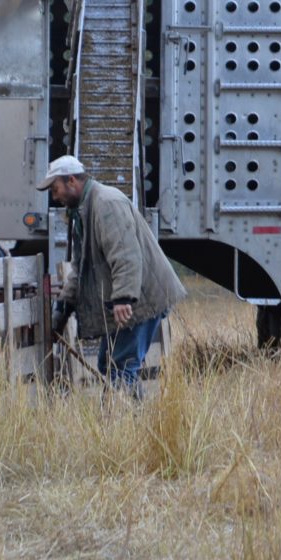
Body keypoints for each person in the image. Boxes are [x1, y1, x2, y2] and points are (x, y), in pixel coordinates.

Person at [41, 154, 186, 388]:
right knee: (110, 365)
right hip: (130, 299)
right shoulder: (85, 210)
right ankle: (125, 419)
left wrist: (122, 298)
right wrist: (64, 308)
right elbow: (81, 267)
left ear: (71, 181)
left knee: (120, 367)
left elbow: (126, 254)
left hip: (140, 299)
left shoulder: (106, 204)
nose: (54, 196)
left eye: (55, 188)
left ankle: (124, 422)